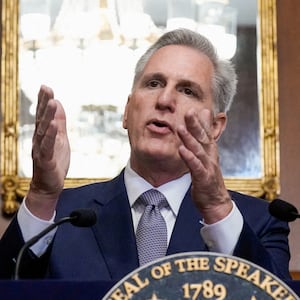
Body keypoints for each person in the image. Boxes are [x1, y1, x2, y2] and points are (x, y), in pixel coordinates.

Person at [0, 28, 291, 280]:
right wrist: (41, 194)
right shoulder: (60, 214)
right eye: (153, 83)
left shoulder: (259, 222)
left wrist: (216, 208)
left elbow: (274, 294)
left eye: (187, 91)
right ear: (127, 111)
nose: (164, 100)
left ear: (215, 126)